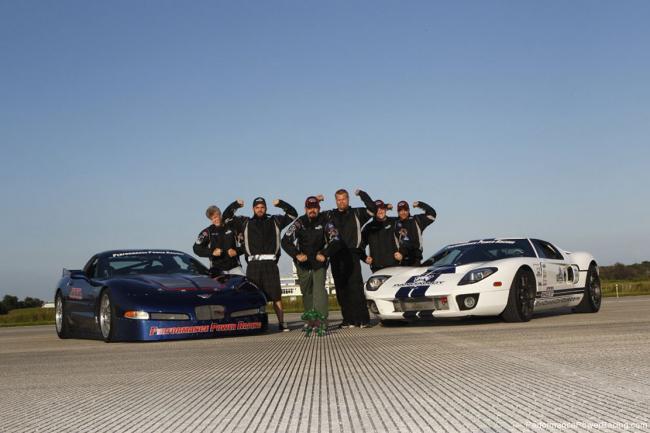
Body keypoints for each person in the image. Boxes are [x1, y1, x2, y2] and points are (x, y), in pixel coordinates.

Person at [223, 197, 297, 332]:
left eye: (262, 207)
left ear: (266, 208)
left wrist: (280, 203)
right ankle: (252, 325)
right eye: (257, 207)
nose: (260, 209)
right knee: (253, 296)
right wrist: (235, 205)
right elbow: (226, 217)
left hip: (270, 264)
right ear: (253, 209)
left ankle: (281, 323)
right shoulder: (244, 222)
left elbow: (293, 214)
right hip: (253, 265)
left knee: (276, 296)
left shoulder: (275, 220)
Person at [319, 189, 376, 328]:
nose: (341, 202)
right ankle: (348, 320)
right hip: (335, 255)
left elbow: (373, 208)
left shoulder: (357, 213)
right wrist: (317, 200)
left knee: (355, 287)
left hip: (352, 254)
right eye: (338, 199)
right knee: (341, 289)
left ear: (348, 199)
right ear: (335, 201)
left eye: (343, 199)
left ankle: (363, 320)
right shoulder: (329, 214)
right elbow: (313, 216)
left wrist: (362, 194)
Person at [281, 196, 341, 327]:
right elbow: (285, 241)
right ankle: (310, 321)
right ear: (305, 209)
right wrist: (296, 254)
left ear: (319, 208)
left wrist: (325, 254)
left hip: (319, 263)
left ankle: (322, 321)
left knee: (319, 290)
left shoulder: (326, 221)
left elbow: (336, 240)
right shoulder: (299, 222)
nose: (312, 210)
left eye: (314, 208)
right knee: (306, 291)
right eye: (309, 208)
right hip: (303, 264)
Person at [193, 205, 243, 276]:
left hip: (235, 267)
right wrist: (212, 252)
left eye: (216, 217)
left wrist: (236, 251)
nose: (215, 220)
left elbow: (246, 245)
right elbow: (196, 248)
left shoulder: (232, 228)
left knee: (246, 285)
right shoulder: (207, 232)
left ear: (220, 214)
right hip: (217, 270)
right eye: (212, 219)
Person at [360, 200, 406, 272]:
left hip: (394, 265)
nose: (380, 211)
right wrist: (364, 258)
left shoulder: (394, 222)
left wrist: (402, 254)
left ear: (385, 209)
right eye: (377, 209)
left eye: (382, 208)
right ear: (374, 211)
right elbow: (360, 244)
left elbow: (405, 240)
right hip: (376, 267)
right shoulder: (368, 227)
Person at [394, 200, 437, 266]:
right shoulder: (395, 223)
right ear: (398, 212)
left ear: (409, 210)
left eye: (405, 210)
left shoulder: (416, 220)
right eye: (400, 210)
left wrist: (420, 204)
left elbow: (432, 214)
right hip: (401, 261)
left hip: (415, 260)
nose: (403, 212)